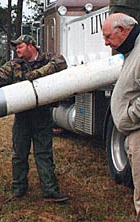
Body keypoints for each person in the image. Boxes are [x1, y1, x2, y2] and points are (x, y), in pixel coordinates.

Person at [0, 35, 69, 202]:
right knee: (19, 154)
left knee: (43, 153)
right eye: (16, 47)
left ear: (31, 46)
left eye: (20, 46)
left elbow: (61, 63)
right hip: (22, 116)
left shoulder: (48, 59)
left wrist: (39, 73)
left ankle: (50, 191)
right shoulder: (14, 65)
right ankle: (18, 189)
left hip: (42, 115)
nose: (17, 50)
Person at [102, 13, 140, 219]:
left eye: (108, 37)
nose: (107, 43)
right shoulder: (133, 50)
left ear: (123, 31)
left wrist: (130, 116)